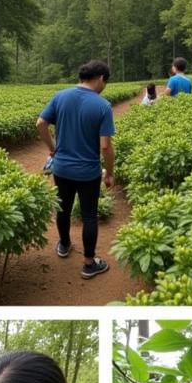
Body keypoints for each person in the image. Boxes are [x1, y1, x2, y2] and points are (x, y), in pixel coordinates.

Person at [37, 60, 115, 279]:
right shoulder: (102, 106)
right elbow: (106, 146)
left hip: (61, 168)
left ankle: (63, 245)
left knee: (63, 208)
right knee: (89, 215)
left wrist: (52, 148)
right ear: (100, 78)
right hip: (88, 172)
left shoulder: (60, 96)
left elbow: (40, 124)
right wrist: (109, 173)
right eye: (105, 82)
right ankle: (89, 264)